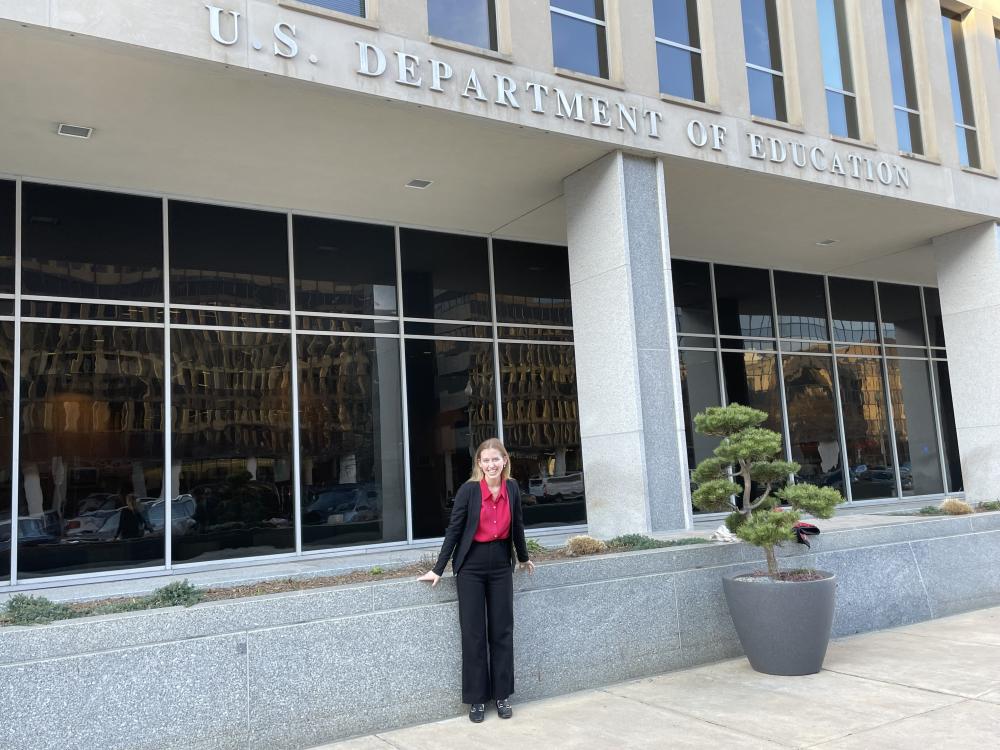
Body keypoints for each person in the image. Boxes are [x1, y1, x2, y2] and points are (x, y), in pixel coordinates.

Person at [417, 438, 535, 723]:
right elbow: (454, 530)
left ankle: (502, 695)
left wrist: (522, 556)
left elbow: (517, 524)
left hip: (499, 566)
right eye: (486, 460)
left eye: (496, 459)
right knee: (473, 634)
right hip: (471, 565)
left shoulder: (512, 488)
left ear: (505, 461)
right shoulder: (469, 491)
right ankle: (476, 700)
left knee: (502, 630)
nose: (491, 464)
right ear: (479, 464)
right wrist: (438, 568)